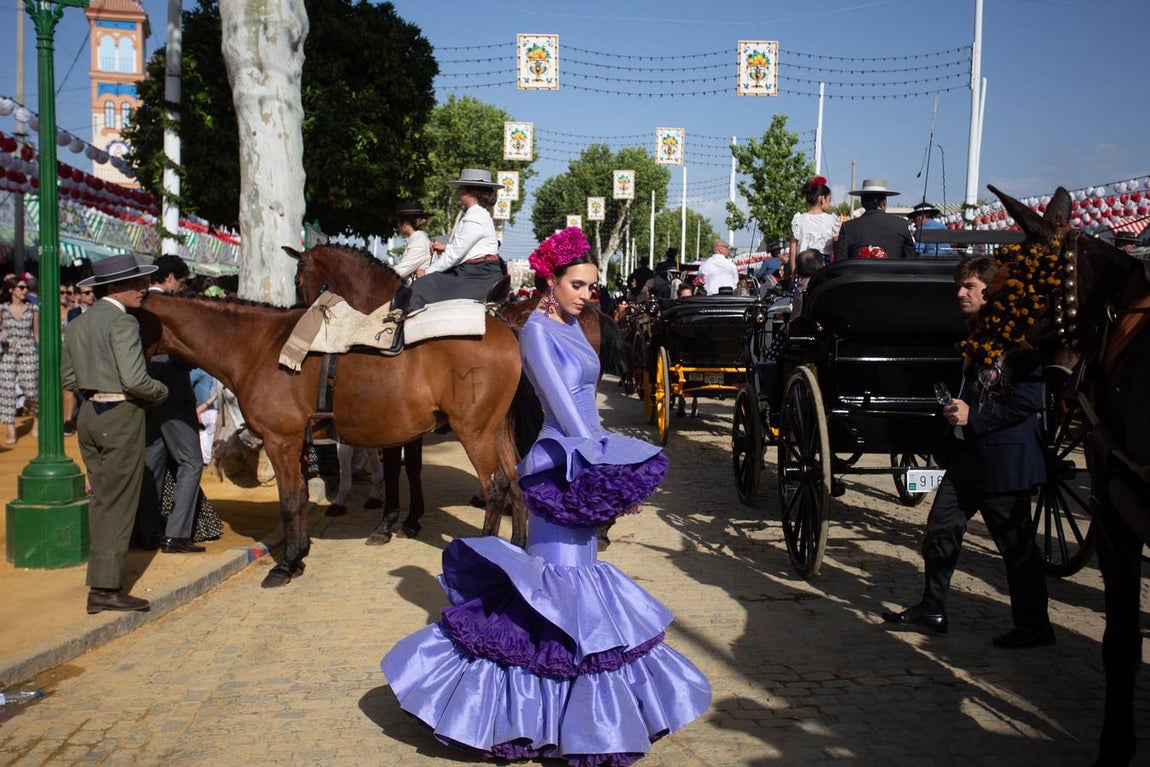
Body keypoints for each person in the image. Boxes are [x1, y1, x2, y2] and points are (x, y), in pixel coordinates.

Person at [381, 226, 711, 765]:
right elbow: (566, 413)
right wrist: (608, 477)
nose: (587, 295)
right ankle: (531, 717)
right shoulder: (534, 332)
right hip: (560, 470)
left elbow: (591, 408)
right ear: (550, 281)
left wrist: (612, 472)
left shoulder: (576, 325)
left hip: (582, 463)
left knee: (572, 596)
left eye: (591, 286)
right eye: (577, 284)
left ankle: (569, 716)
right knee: (558, 595)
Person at [882, 256, 1053, 648]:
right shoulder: (976, 334)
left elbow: (1029, 401)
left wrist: (974, 415)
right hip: (965, 459)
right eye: (960, 285)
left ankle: (1035, 626)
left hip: (1002, 460)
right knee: (940, 531)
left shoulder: (1019, 341)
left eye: (969, 286)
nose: (960, 292)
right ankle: (933, 607)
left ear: (990, 291)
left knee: (1016, 548)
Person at [61, 254, 168, 613]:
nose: (143, 289)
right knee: (118, 502)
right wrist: (160, 393)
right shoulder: (124, 324)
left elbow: (69, 379)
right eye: (137, 283)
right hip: (120, 415)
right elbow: (136, 380)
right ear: (117, 286)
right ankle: (105, 588)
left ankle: (102, 581)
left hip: (89, 413)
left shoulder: (78, 323)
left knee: (103, 499)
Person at [139, 255, 206, 554]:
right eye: (179, 281)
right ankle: (176, 534)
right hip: (173, 389)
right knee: (191, 462)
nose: (180, 287)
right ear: (169, 279)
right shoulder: (172, 306)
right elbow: (183, 351)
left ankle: (147, 531)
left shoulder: (138, 304)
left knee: (151, 461)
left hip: (143, 388)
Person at [403, 169, 506, 315]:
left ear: (470, 193)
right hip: (477, 272)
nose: (458, 192)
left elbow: (454, 255)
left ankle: (407, 335)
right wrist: (446, 247)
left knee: (420, 287)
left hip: (477, 275)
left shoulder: (475, 218)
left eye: (461, 188)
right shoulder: (479, 214)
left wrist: (426, 272)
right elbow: (465, 248)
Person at [835, 178, 916, 260]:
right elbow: (911, 261)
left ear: (862, 203)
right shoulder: (902, 225)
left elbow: (840, 263)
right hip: (892, 273)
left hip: (858, 273)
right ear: (884, 203)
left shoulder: (848, 227)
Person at [0, 274, 39, 445]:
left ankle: (37, 419)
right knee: (7, 390)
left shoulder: (33, 309)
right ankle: (11, 430)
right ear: (11, 290)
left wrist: (42, 353)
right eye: (21, 288)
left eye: (26, 288)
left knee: (31, 389)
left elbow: (37, 334)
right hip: (7, 352)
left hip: (28, 350)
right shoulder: (2, 308)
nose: (25, 291)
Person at [63, 282, 97, 436]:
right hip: (77, 356)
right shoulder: (73, 313)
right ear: (79, 296)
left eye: (92, 292)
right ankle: (68, 421)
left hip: (96, 357)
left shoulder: (100, 310)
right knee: (69, 387)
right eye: (87, 293)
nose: (91, 295)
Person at [791, 175, 841, 264]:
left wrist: (794, 271)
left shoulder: (798, 220)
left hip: (803, 264)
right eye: (829, 200)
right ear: (822, 199)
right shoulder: (832, 221)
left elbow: (793, 248)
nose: (830, 204)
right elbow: (837, 247)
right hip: (824, 265)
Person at [392, 202, 432, 282]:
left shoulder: (419, 243)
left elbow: (400, 272)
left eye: (398, 222)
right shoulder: (416, 240)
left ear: (404, 223)